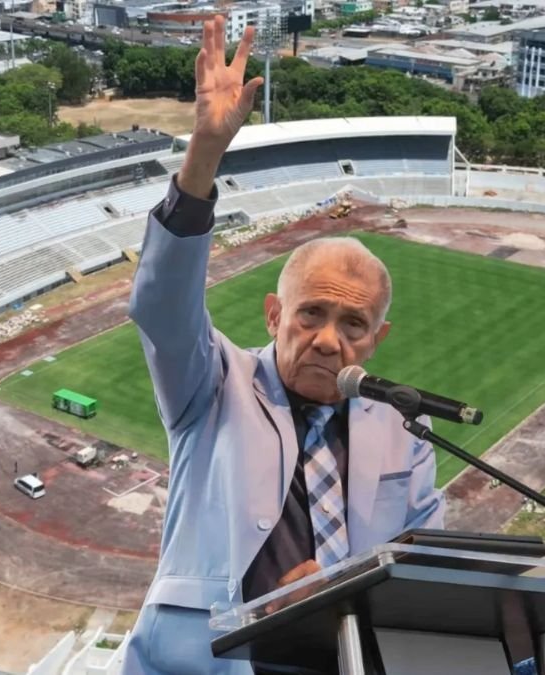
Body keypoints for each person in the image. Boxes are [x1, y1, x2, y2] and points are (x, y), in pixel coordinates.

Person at [122, 15, 444, 675]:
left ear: (375, 340)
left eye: (352, 325)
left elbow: (424, 564)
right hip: (204, 662)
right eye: (311, 314)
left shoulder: (404, 431)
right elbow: (162, 308)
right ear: (274, 315)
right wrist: (205, 151)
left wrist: (337, 595)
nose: (327, 340)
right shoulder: (214, 385)